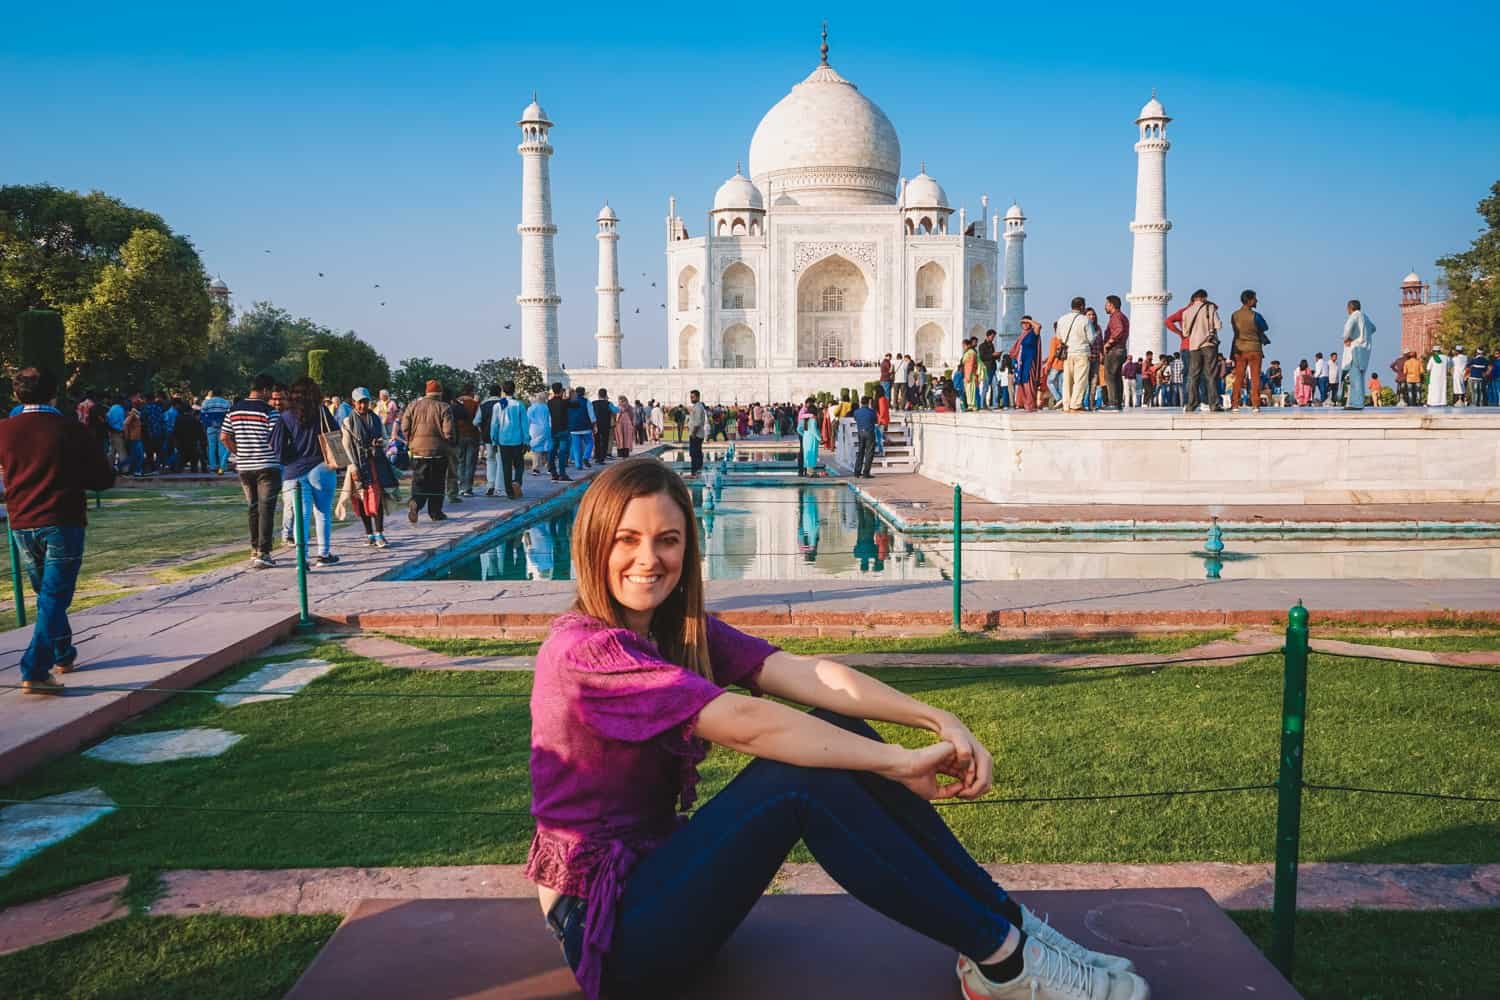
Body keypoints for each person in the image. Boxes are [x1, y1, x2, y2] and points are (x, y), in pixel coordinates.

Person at [527, 458, 1148, 1000]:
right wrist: (894, 763)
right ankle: (1005, 960)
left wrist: (931, 716)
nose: (648, 559)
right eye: (627, 539)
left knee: (834, 727)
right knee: (800, 780)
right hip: (612, 938)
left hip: (657, 891)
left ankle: (1010, 928)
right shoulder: (586, 653)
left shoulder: (671, 631)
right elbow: (747, 724)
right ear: (593, 544)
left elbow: (800, 674)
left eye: (667, 540)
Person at [0, 368, 116, 695]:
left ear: (16, 394)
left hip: (21, 522)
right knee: (53, 595)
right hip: (62, 520)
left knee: (48, 594)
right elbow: (101, 480)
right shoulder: (69, 429)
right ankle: (35, 669)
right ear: (54, 394)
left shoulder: (5, 430)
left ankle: (63, 653)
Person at [277, 376, 340, 565]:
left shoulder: (286, 416)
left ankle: (301, 558)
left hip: (294, 470)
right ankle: (324, 553)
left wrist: (290, 459)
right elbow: (335, 433)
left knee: (301, 516)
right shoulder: (321, 412)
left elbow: (278, 446)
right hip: (321, 466)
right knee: (322, 513)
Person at [221, 374, 284, 568]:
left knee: (253, 508)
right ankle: (264, 552)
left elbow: (224, 436)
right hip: (267, 465)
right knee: (266, 509)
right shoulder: (269, 412)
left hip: (245, 466)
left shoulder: (234, 410)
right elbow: (276, 440)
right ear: (265, 390)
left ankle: (254, 548)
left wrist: (238, 451)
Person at [401, 379, 456, 522]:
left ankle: (416, 503)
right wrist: (450, 442)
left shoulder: (412, 405)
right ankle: (435, 513)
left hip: (418, 451)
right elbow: (448, 432)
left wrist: (411, 440)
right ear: (440, 393)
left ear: (426, 392)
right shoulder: (444, 407)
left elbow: (404, 427)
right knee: (437, 483)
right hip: (438, 452)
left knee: (419, 481)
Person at [341, 387, 389, 548]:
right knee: (361, 499)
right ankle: (369, 533)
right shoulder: (348, 422)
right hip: (356, 465)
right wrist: (352, 467)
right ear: (354, 402)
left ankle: (379, 533)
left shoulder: (375, 419)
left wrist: (382, 443)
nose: (363, 405)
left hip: (374, 463)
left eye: (365, 402)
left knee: (376, 499)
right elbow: (346, 446)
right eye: (360, 402)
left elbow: (386, 438)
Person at [1229, 290, 1269, 412]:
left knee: (1239, 377)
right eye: (1255, 299)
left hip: (1239, 349)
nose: (1257, 301)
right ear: (1250, 300)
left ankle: (1235, 404)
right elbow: (1265, 327)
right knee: (1255, 377)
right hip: (1254, 349)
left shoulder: (1234, 315)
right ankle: (1255, 405)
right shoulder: (1255, 316)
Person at [491, 380, 530, 499]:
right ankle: (517, 482)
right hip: (517, 440)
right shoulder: (519, 405)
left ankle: (509, 491)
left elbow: (494, 424)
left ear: (503, 391)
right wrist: (526, 441)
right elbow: (524, 424)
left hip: (503, 440)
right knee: (519, 465)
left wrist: (494, 440)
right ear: (514, 390)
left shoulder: (498, 405)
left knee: (506, 466)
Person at [1055, 298, 1092, 413]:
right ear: (1082, 307)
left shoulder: (1062, 319)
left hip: (1068, 353)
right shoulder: (1085, 320)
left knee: (1067, 380)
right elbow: (1091, 338)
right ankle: (1076, 405)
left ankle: (1066, 405)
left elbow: (1059, 337)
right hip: (1081, 352)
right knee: (1080, 380)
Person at [1340, 299, 1375, 409]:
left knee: (1355, 376)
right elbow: (1373, 328)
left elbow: (1347, 329)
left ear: (1350, 308)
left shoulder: (1354, 315)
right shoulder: (1365, 317)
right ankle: (1358, 402)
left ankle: (1356, 403)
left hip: (1356, 349)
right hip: (1365, 350)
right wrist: (1363, 336)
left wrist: (1348, 338)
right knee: (1360, 375)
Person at [476, 383, 505, 496]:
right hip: (501, 436)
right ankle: (499, 487)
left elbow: (476, 421)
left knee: (490, 459)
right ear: (499, 392)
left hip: (487, 436)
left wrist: (482, 430)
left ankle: (490, 485)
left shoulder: (483, 404)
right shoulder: (503, 403)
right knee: (500, 460)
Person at [200, 389, 231, 473]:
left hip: (210, 427)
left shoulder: (206, 402)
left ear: (212, 394)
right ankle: (222, 466)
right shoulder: (226, 402)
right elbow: (229, 415)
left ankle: (213, 466)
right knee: (222, 446)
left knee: (211, 446)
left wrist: (209, 423)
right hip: (222, 427)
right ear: (221, 394)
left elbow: (202, 415)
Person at [547, 383, 573, 481]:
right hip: (563, 430)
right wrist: (569, 395)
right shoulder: (564, 402)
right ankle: (562, 473)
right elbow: (575, 404)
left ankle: (553, 471)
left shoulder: (549, 403)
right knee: (562, 452)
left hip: (554, 429)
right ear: (561, 391)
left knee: (553, 451)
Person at [851, 395, 878, 478]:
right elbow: (875, 420)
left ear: (860, 402)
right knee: (869, 453)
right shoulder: (872, 411)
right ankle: (866, 472)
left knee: (860, 452)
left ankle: (857, 472)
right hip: (869, 432)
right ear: (868, 402)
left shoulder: (856, 412)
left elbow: (855, 419)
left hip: (860, 432)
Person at [529, 390, 554, 478]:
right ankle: (548, 467)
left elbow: (528, 419)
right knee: (547, 448)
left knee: (536, 449)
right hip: (546, 428)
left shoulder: (532, 408)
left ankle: (536, 468)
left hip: (535, 429)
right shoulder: (546, 407)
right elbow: (550, 418)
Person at [686, 389, 708, 477]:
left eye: (693, 397)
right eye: (690, 397)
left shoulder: (698, 407)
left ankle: (695, 472)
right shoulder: (697, 406)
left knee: (695, 454)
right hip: (696, 434)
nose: (691, 398)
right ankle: (696, 472)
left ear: (698, 397)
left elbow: (698, 422)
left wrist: (693, 433)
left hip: (696, 434)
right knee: (696, 453)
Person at [592, 388, 614, 465]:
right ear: (606, 395)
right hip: (605, 425)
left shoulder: (593, 403)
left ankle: (597, 456)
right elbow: (616, 410)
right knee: (604, 441)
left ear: (598, 395)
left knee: (597, 441)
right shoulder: (608, 403)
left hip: (596, 425)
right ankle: (602, 458)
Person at [613, 394, 635, 459]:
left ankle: (620, 453)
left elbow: (617, 416)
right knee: (627, 439)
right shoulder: (630, 407)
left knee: (620, 438)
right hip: (628, 424)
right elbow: (632, 416)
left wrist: (615, 422)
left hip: (620, 424)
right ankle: (626, 453)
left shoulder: (619, 407)